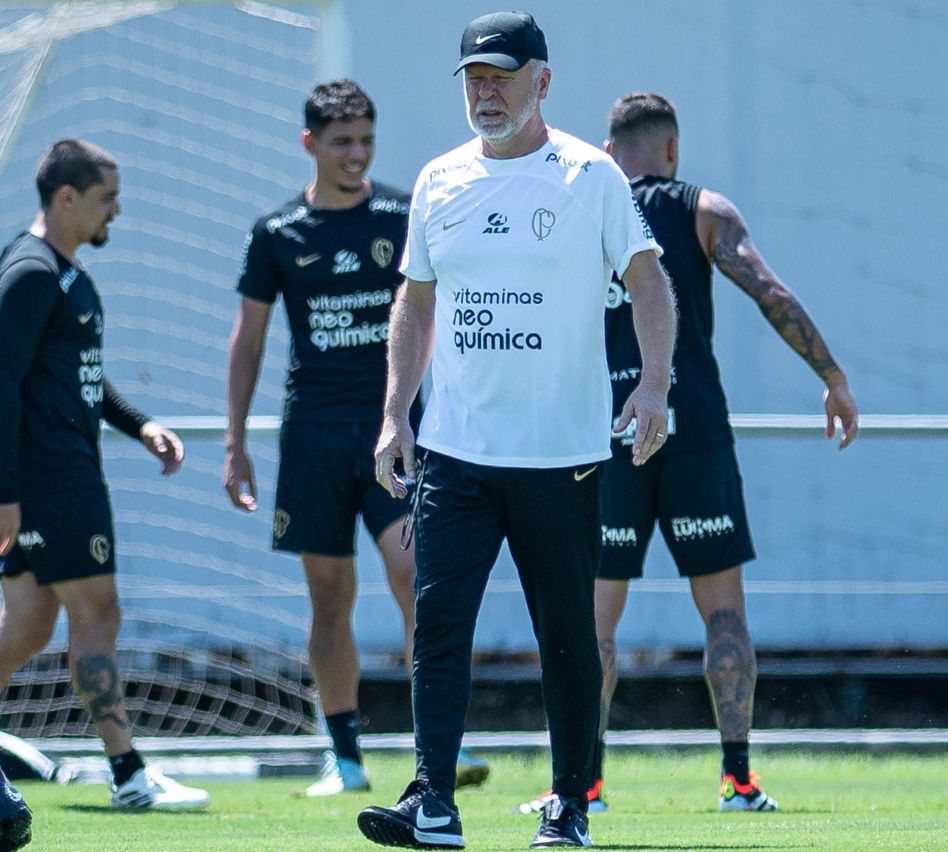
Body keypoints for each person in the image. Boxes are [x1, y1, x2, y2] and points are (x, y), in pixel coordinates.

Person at [356, 12, 675, 850]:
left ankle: (570, 805)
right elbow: (416, 301)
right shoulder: (438, 180)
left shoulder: (589, 175)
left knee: (567, 637)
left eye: (501, 75)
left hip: (560, 456)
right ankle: (433, 802)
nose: (485, 91)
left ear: (543, 80)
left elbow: (647, 282)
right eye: (473, 78)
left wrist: (652, 383)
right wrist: (396, 414)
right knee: (439, 627)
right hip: (457, 455)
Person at [518, 92, 859, 816]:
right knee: (725, 617)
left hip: (607, 430)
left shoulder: (582, 208)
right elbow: (769, 290)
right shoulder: (704, 209)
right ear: (672, 150)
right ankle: (739, 781)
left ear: (610, 153)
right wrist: (830, 376)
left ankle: (585, 786)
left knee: (593, 621)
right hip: (692, 425)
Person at [223, 79, 488, 796]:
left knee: (415, 579)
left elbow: (441, 309)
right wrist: (235, 442)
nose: (357, 154)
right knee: (330, 594)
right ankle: (343, 760)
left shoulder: (403, 213)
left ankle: (441, 749)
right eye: (342, 142)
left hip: (395, 432)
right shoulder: (277, 234)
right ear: (310, 144)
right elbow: (248, 341)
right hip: (312, 436)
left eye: (366, 140)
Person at [0, 139, 209, 810]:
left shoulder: (60, 271)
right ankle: (130, 778)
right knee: (100, 614)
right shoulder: (30, 272)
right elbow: (1, 383)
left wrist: (138, 424)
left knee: (28, 625)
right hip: (54, 482)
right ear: (67, 198)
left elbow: (73, 374)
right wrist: (5, 495)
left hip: (58, 475)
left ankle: (126, 774)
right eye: (106, 197)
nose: (117, 209)